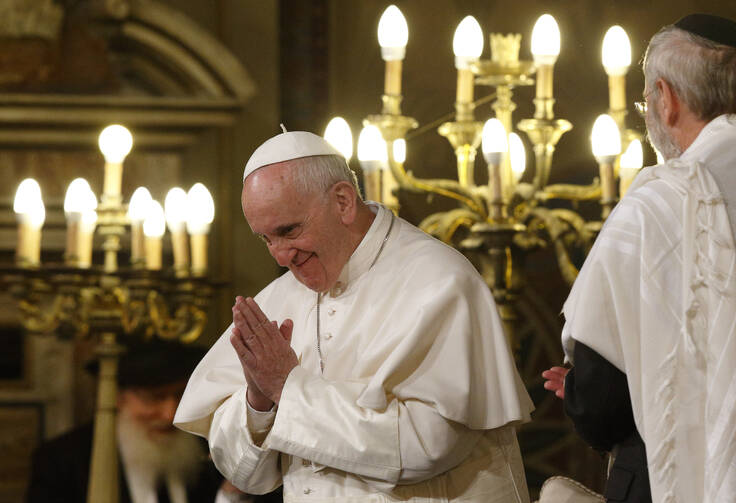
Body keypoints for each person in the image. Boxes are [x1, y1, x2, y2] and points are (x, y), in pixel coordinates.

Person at [173, 130, 534, 502]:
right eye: (266, 239)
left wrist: (286, 388)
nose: (280, 257)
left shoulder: (439, 281)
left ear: (343, 201)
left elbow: (430, 445)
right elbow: (244, 475)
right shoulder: (279, 299)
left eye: (289, 230)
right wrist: (258, 401)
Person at [543, 13, 736, 503]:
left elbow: (602, 403)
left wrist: (582, 390)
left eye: (646, 99)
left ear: (666, 100)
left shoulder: (657, 204)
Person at [27, 338, 282, 503]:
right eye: (153, 398)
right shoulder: (62, 461)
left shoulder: (216, 451)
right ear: (118, 397)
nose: (170, 414)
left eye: (180, 396)